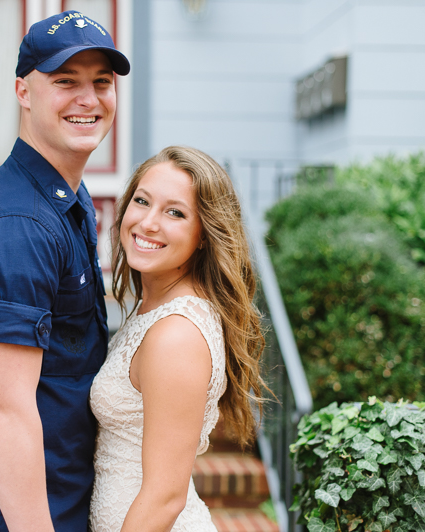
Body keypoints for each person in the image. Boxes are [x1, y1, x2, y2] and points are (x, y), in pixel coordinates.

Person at [0, 10, 130, 532]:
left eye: (101, 83)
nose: (89, 99)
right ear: (23, 91)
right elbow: (4, 413)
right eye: (65, 82)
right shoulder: (14, 227)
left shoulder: (62, 200)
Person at [88, 146, 269, 531]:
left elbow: (165, 498)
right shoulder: (151, 307)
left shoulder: (177, 334)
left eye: (175, 212)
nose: (149, 223)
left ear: (204, 235)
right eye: (142, 201)